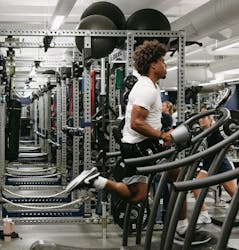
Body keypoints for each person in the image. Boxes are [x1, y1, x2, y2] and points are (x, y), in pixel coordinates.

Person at [66, 40, 211, 246]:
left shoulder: (149, 86)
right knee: (180, 176)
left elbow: (140, 122)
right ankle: (181, 229)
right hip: (143, 146)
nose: (165, 66)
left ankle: (96, 181)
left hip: (135, 146)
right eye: (162, 61)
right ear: (153, 65)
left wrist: (163, 133)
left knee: (137, 196)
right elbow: (136, 122)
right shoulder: (146, 88)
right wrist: (162, 136)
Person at [192, 105, 237, 224]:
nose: (201, 119)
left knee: (235, 196)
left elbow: (229, 144)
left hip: (221, 166)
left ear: (211, 119)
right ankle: (204, 215)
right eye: (200, 117)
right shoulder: (201, 133)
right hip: (208, 165)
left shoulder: (216, 131)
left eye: (204, 117)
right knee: (196, 187)